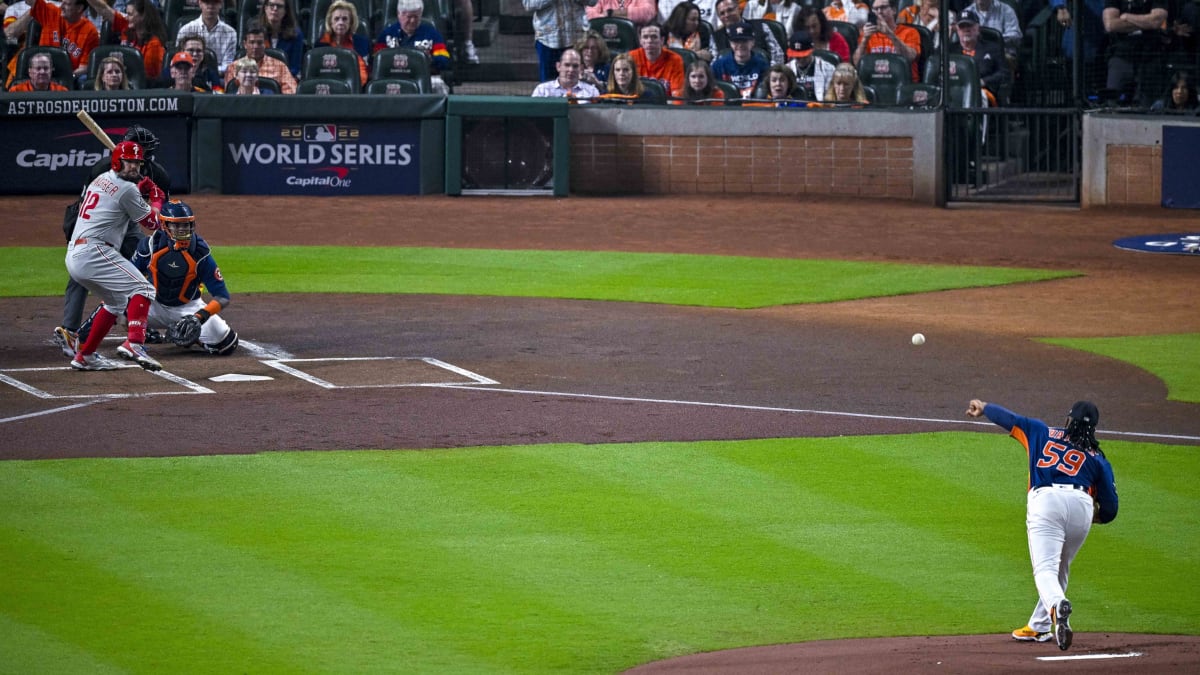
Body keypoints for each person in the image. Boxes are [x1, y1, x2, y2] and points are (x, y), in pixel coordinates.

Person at [965, 399, 1118, 651]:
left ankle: (1057, 607)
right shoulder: (1098, 458)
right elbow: (1110, 510)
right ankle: (1039, 626)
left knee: (1045, 570)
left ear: (1069, 420)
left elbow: (1012, 419)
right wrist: (1088, 516)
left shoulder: (1041, 431)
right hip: (1082, 505)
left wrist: (984, 407)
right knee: (1060, 568)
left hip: (1046, 501)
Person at [56, 124, 170, 358]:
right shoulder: (101, 169)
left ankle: (137, 324)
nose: (140, 160)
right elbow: (149, 218)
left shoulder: (155, 173)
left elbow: (152, 216)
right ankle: (72, 330)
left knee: (142, 263)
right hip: (97, 223)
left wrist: (143, 196)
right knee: (86, 276)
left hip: (125, 223)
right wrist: (150, 199)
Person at [130, 200, 238, 358]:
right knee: (117, 306)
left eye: (186, 225)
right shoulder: (150, 246)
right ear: (164, 225)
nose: (183, 230)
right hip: (153, 304)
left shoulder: (200, 252)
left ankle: (192, 338)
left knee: (227, 344)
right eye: (178, 225)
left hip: (187, 308)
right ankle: (88, 338)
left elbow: (222, 296)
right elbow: (126, 277)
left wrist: (199, 317)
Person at [5, 0, 98, 86]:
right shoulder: (51, 12)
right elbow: (30, 1)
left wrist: (66, 78)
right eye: (62, 2)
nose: (62, 6)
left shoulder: (90, 31)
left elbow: (83, 68)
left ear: (79, 8)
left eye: (67, 4)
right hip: (37, 73)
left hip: (67, 79)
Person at [375, 0, 453, 93]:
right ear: (399, 14)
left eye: (416, 17)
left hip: (426, 77)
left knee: (439, 85)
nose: (412, 21)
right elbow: (377, 59)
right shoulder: (386, 34)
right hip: (394, 77)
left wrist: (430, 59)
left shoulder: (432, 33)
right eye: (409, 17)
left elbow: (444, 58)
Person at [1103, 0, 1169, 106]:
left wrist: (1127, 17)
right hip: (1120, 56)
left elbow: (1156, 21)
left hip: (1149, 58)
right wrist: (1145, 22)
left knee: (1145, 105)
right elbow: (1111, 24)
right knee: (1112, 104)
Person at [84, 0, 167, 80]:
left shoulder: (154, 44)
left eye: (130, 14)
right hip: (119, 80)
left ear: (143, 16)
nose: (127, 17)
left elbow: (148, 77)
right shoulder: (126, 26)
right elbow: (103, 8)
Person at [521, 0, 595, 84]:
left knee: (578, 84)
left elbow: (593, 2)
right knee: (548, 85)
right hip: (547, 39)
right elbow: (528, 4)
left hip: (576, 38)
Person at [950, 10, 1009, 106]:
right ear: (957, 30)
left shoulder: (992, 48)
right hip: (954, 90)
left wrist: (984, 81)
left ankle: (978, 121)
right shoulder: (950, 50)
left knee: (978, 97)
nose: (966, 30)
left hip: (982, 91)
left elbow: (1004, 73)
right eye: (962, 26)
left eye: (969, 26)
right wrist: (948, 35)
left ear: (978, 28)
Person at [853, 0, 921, 81]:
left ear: (894, 10)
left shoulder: (910, 32)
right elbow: (857, 63)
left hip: (903, 83)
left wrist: (890, 34)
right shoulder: (867, 34)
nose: (879, 11)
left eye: (883, 7)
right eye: (875, 9)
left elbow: (910, 57)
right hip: (874, 81)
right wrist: (865, 39)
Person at [316, 0, 370, 90]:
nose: (340, 23)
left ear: (351, 22)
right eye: (336, 19)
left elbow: (363, 74)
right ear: (330, 23)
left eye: (345, 19)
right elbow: (319, 74)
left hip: (354, 92)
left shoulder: (361, 43)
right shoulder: (320, 44)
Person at [175, 0, 237, 77]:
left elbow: (228, 65)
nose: (210, 7)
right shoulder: (186, 30)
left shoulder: (230, 32)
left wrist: (208, 72)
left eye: (214, 3)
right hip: (187, 74)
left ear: (221, 4)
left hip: (219, 76)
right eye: (207, 3)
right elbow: (179, 58)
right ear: (200, 3)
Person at [230, 26, 298, 93]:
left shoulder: (280, 66)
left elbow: (291, 92)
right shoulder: (233, 67)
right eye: (252, 42)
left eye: (259, 43)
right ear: (245, 44)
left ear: (265, 44)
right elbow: (228, 93)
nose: (256, 46)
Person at [713, 0, 783, 64]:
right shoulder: (715, 37)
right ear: (719, 17)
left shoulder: (761, 27)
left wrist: (769, 75)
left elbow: (778, 56)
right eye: (722, 13)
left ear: (738, 9)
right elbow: (714, 63)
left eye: (730, 10)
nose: (727, 15)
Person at [712, 20, 768, 96]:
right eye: (736, 41)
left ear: (752, 42)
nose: (740, 45)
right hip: (727, 106)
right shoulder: (718, 66)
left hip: (755, 106)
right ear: (730, 43)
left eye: (744, 41)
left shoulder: (763, 65)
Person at [629, 22, 686, 97]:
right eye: (645, 37)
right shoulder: (631, 57)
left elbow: (677, 95)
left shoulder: (675, 60)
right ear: (640, 41)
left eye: (654, 37)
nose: (649, 41)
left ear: (662, 40)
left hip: (665, 105)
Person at [251, 0, 305, 77]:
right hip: (257, 79)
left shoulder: (296, 34)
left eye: (279, 6)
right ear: (265, 8)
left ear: (285, 11)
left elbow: (294, 67)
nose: (275, 9)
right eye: (271, 5)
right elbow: (250, 62)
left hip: (285, 79)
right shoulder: (254, 30)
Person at [531, 46, 599, 100]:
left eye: (575, 66)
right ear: (558, 66)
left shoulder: (592, 92)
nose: (571, 70)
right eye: (567, 65)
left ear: (581, 69)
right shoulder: (542, 90)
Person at [786, 28, 834, 101]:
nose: (801, 59)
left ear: (812, 50)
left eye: (804, 56)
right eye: (797, 57)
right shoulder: (786, 69)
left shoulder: (828, 68)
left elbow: (830, 97)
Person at [586, 0, 657, 26]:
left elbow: (647, 12)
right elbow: (589, 14)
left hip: (634, 42)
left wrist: (612, 14)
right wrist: (603, 17)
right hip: (603, 42)